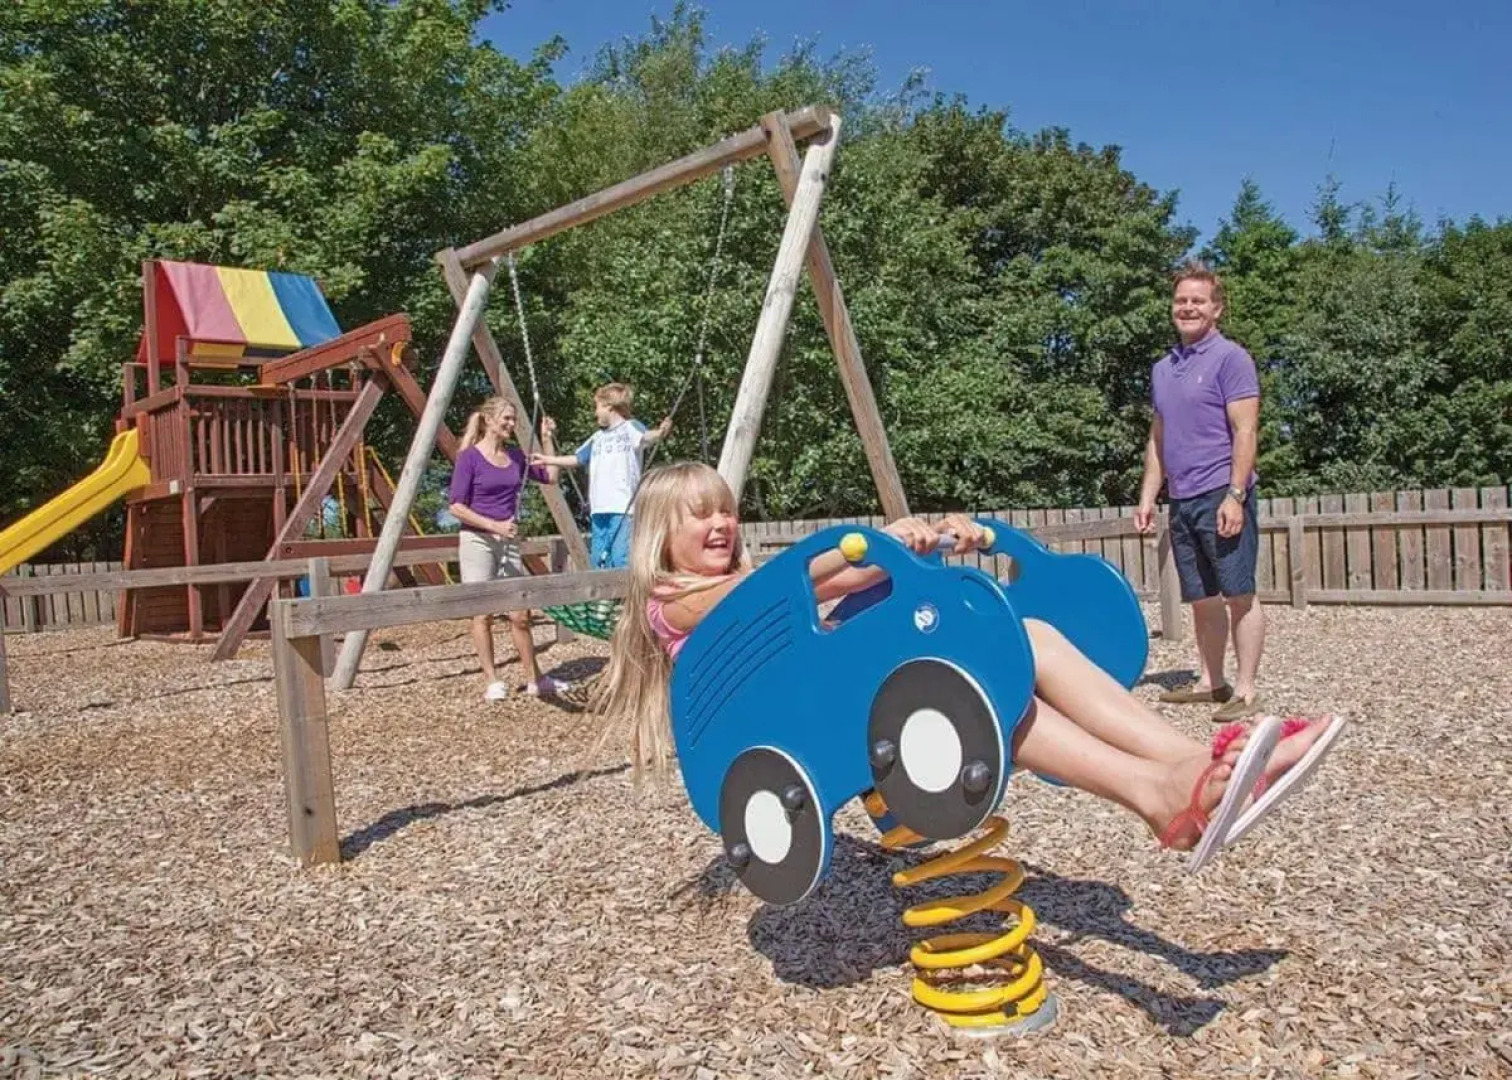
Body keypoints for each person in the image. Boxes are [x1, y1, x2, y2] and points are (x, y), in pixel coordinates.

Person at [596, 462, 1345, 870]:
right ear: (663, 535)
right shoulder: (675, 602)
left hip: (824, 704)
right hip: (804, 731)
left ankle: (1192, 767)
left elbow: (839, 580)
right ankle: (1170, 788)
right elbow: (805, 582)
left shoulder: (755, 591)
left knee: (1030, 641)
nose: (721, 523)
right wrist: (874, 543)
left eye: (725, 509)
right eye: (700, 514)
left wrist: (915, 544)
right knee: (975, 692)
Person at [1135, 264, 1266, 722]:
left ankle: (1247, 691)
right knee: (1203, 598)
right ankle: (1213, 683)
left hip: (1220, 493)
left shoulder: (1232, 359)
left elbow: (1245, 429)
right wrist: (1149, 496)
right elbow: (1158, 437)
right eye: (1181, 300)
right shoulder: (1163, 368)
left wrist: (1235, 493)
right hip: (1183, 498)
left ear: (1216, 308)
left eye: (1198, 300)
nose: (1187, 307)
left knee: (1238, 594)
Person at [448, 396, 567, 702]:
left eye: (514, 419)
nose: (511, 425)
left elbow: (551, 476)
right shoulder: (469, 459)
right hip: (478, 539)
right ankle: (492, 679)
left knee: (521, 613)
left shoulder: (516, 457)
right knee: (482, 613)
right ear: (488, 420)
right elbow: (457, 507)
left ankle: (535, 678)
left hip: (508, 539)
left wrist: (546, 439)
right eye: (506, 419)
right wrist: (493, 525)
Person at [530, 383, 671, 569]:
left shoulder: (630, 428)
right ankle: (603, 597)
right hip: (599, 507)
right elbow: (577, 458)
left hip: (623, 506)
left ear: (608, 406)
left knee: (621, 556)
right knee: (598, 558)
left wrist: (660, 433)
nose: (595, 413)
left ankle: (624, 595)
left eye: (596, 407)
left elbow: (646, 437)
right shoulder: (597, 438)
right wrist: (548, 459)